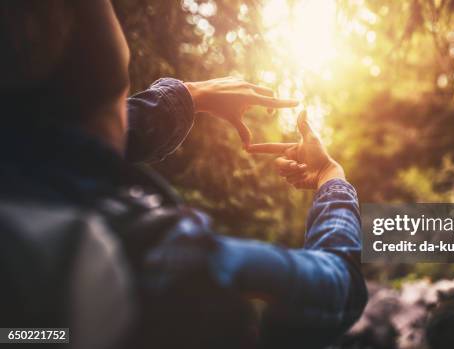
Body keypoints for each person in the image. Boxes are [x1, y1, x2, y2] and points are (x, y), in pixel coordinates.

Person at [0, 1, 367, 349]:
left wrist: (190, 95)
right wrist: (330, 178)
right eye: (124, 84)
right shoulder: (157, 257)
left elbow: (57, 140)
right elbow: (337, 287)